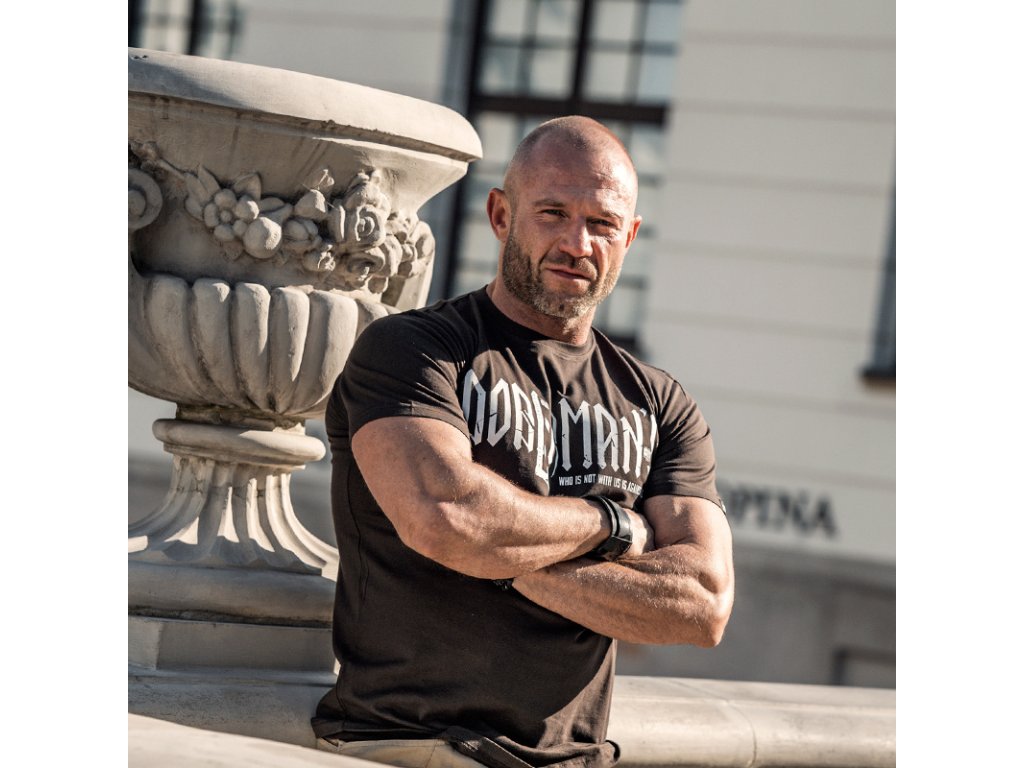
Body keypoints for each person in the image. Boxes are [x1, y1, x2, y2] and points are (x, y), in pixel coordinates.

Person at [313, 116, 734, 768]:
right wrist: (614, 526)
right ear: (501, 215)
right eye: (553, 213)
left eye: (602, 223)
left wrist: (498, 554)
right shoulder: (413, 351)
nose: (577, 242)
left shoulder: (659, 402)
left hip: (576, 760)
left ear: (629, 236)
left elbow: (702, 604)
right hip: (409, 746)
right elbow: (447, 518)